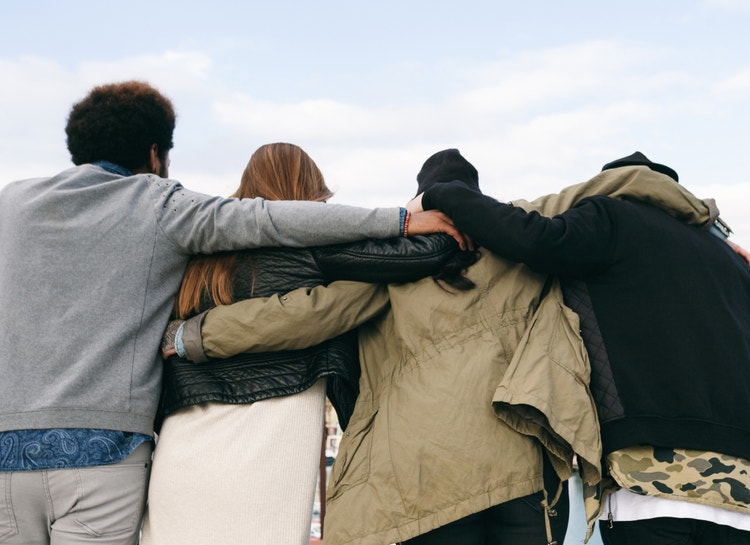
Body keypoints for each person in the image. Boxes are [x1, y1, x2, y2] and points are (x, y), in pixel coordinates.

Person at [169, 149, 721, 545]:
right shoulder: (519, 245)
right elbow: (606, 190)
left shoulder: (394, 263)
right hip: (522, 474)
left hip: (417, 479)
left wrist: (196, 336)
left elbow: (308, 314)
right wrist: (703, 224)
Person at [0, 81, 462, 545]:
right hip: (105, 455)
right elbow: (271, 219)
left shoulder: (11, 204)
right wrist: (399, 219)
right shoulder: (162, 206)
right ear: (155, 154)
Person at [410, 151, 750, 544]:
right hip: (740, 492)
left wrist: (442, 194)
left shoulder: (613, 218)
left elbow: (531, 237)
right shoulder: (731, 259)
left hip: (651, 479)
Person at [141, 142, 470, 545]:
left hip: (181, 441)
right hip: (270, 432)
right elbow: (428, 253)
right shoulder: (313, 245)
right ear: (310, 195)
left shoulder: (201, 255)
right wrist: (424, 208)